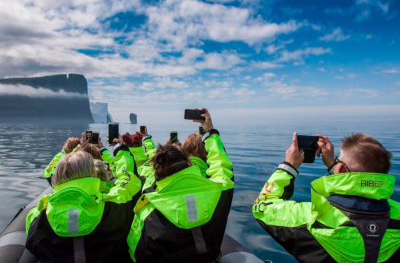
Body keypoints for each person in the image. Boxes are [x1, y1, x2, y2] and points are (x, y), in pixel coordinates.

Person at [253, 132, 400, 262]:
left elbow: (262, 206)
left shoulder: (311, 218)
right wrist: (334, 166)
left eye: (338, 161)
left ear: (341, 169)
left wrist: (288, 166)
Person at [127, 108, 234, 262]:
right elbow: (221, 165)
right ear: (189, 163)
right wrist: (210, 131)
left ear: (156, 171)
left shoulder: (148, 209)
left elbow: (136, 252)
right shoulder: (219, 191)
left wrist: (145, 141)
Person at [25, 148, 142, 262]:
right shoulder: (116, 206)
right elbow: (129, 179)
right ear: (94, 174)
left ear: (56, 177)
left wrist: (66, 150)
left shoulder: (36, 217)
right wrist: (120, 150)